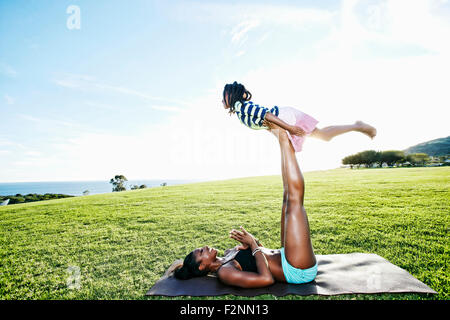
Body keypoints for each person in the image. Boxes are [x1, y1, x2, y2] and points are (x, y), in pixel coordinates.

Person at [173, 127, 321, 287]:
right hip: (295, 269)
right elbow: (266, 279)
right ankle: (284, 139)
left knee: (287, 197)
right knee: (294, 201)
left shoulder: (228, 253)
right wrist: (253, 245)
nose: (204, 247)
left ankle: (282, 140)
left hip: (286, 255)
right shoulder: (225, 272)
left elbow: (261, 253)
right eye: (201, 252)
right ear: (202, 266)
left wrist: (252, 241)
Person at [222, 81, 377, 152]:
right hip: (284, 120)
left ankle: (357, 126)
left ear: (231, 95)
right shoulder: (240, 110)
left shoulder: (242, 106)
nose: (222, 100)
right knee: (323, 135)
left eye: (224, 96)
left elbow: (267, 115)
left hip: (286, 118)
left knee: (321, 136)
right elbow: (264, 121)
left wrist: (290, 128)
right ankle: (357, 126)